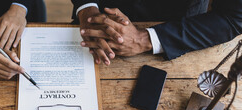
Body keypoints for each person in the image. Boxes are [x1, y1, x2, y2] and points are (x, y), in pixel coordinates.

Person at [71, 0, 242, 65]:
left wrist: (145, 39)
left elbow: (234, 17)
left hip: (177, 31)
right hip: (97, 20)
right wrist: (86, 7)